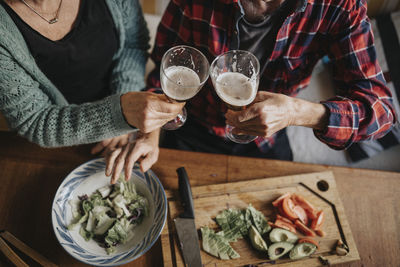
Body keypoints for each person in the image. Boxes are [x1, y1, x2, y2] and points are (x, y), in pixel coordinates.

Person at [108, 0, 397, 180]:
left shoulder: (339, 5)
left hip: (266, 139)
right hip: (191, 128)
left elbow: (381, 113)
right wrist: (150, 134)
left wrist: (296, 112)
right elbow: (164, 65)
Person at [0, 0, 184, 183]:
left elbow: (133, 45)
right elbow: (35, 119)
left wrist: (125, 103)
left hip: (130, 117)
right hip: (58, 141)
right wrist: (117, 116)